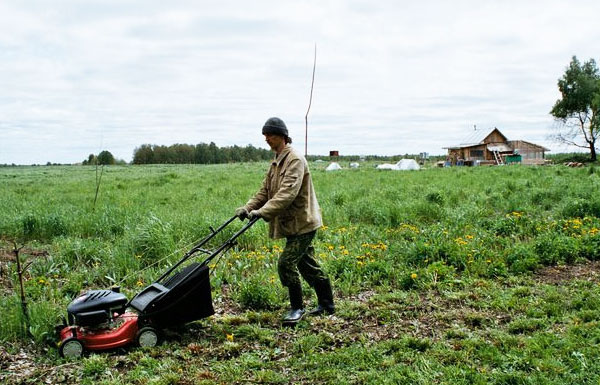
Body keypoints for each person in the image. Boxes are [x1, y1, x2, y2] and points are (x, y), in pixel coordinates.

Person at [235, 117, 335, 326]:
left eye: (269, 135)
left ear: (282, 135)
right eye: (265, 136)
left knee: (286, 263)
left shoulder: (295, 159)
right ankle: (327, 304)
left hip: (303, 222)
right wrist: (248, 207)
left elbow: (286, 194)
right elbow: (265, 191)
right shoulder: (276, 161)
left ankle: (297, 308)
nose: (267, 139)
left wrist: (261, 212)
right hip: (292, 223)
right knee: (307, 265)